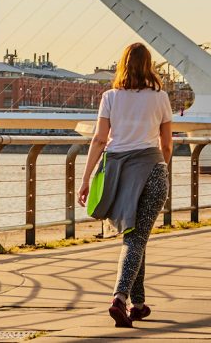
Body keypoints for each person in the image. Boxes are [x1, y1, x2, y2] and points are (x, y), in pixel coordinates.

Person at [78, 42, 173, 328]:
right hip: (153, 170)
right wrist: (161, 168)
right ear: (149, 66)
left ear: (122, 64)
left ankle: (138, 304)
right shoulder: (161, 98)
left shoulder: (110, 97)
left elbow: (98, 140)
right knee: (137, 237)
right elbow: (166, 143)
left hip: (119, 171)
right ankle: (120, 298)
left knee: (136, 235)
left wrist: (85, 179)